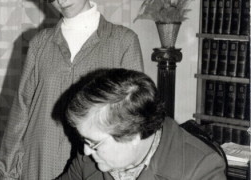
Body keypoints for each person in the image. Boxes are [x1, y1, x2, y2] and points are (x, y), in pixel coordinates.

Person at [0, 0, 144, 179]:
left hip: (95, 165)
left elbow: (135, 116)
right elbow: (21, 108)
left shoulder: (123, 42)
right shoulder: (39, 43)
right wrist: (7, 171)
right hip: (39, 162)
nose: (61, 0)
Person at [57, 68, 227, 180]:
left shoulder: (201, 171)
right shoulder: (89, 156)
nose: (86, 150)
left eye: (94, 143)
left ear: (132, 135)